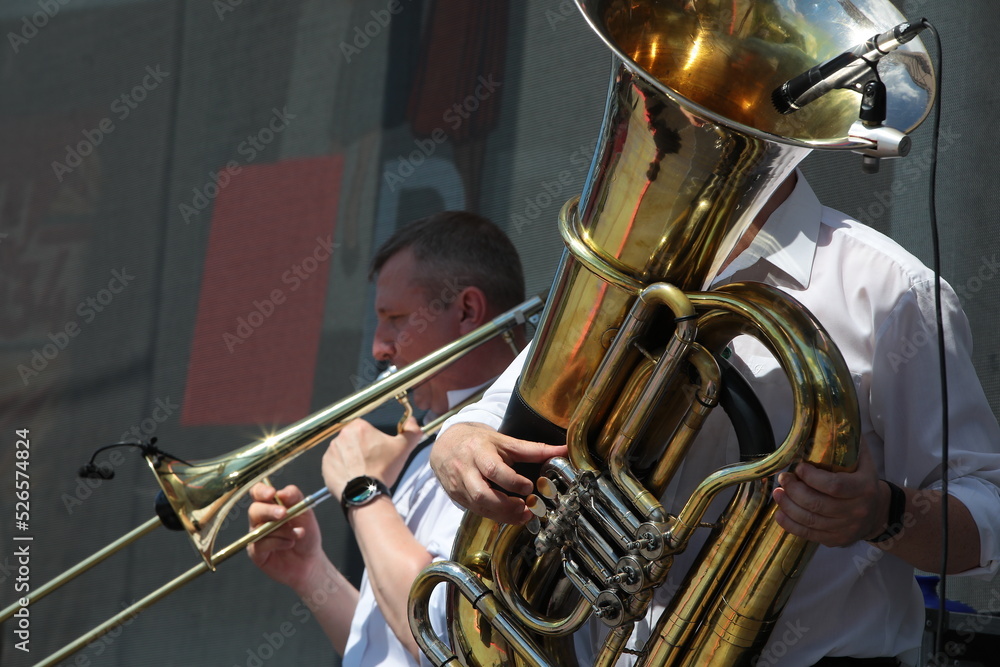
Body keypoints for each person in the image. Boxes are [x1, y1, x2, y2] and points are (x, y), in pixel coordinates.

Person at [429, 171, 1000, 666]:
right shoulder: (626, 261)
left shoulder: (892, 290)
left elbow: (988, 512)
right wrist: (458, 441)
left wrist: (881, 511)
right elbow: (503, 408)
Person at [247, 211, 526, 666]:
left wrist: (362, 492)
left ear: (466, 311)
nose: (379, 347)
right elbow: (387, 649)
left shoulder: (508, 432)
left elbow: (444, 637)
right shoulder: (428, 433)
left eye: (396, 318)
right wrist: (309, 570)